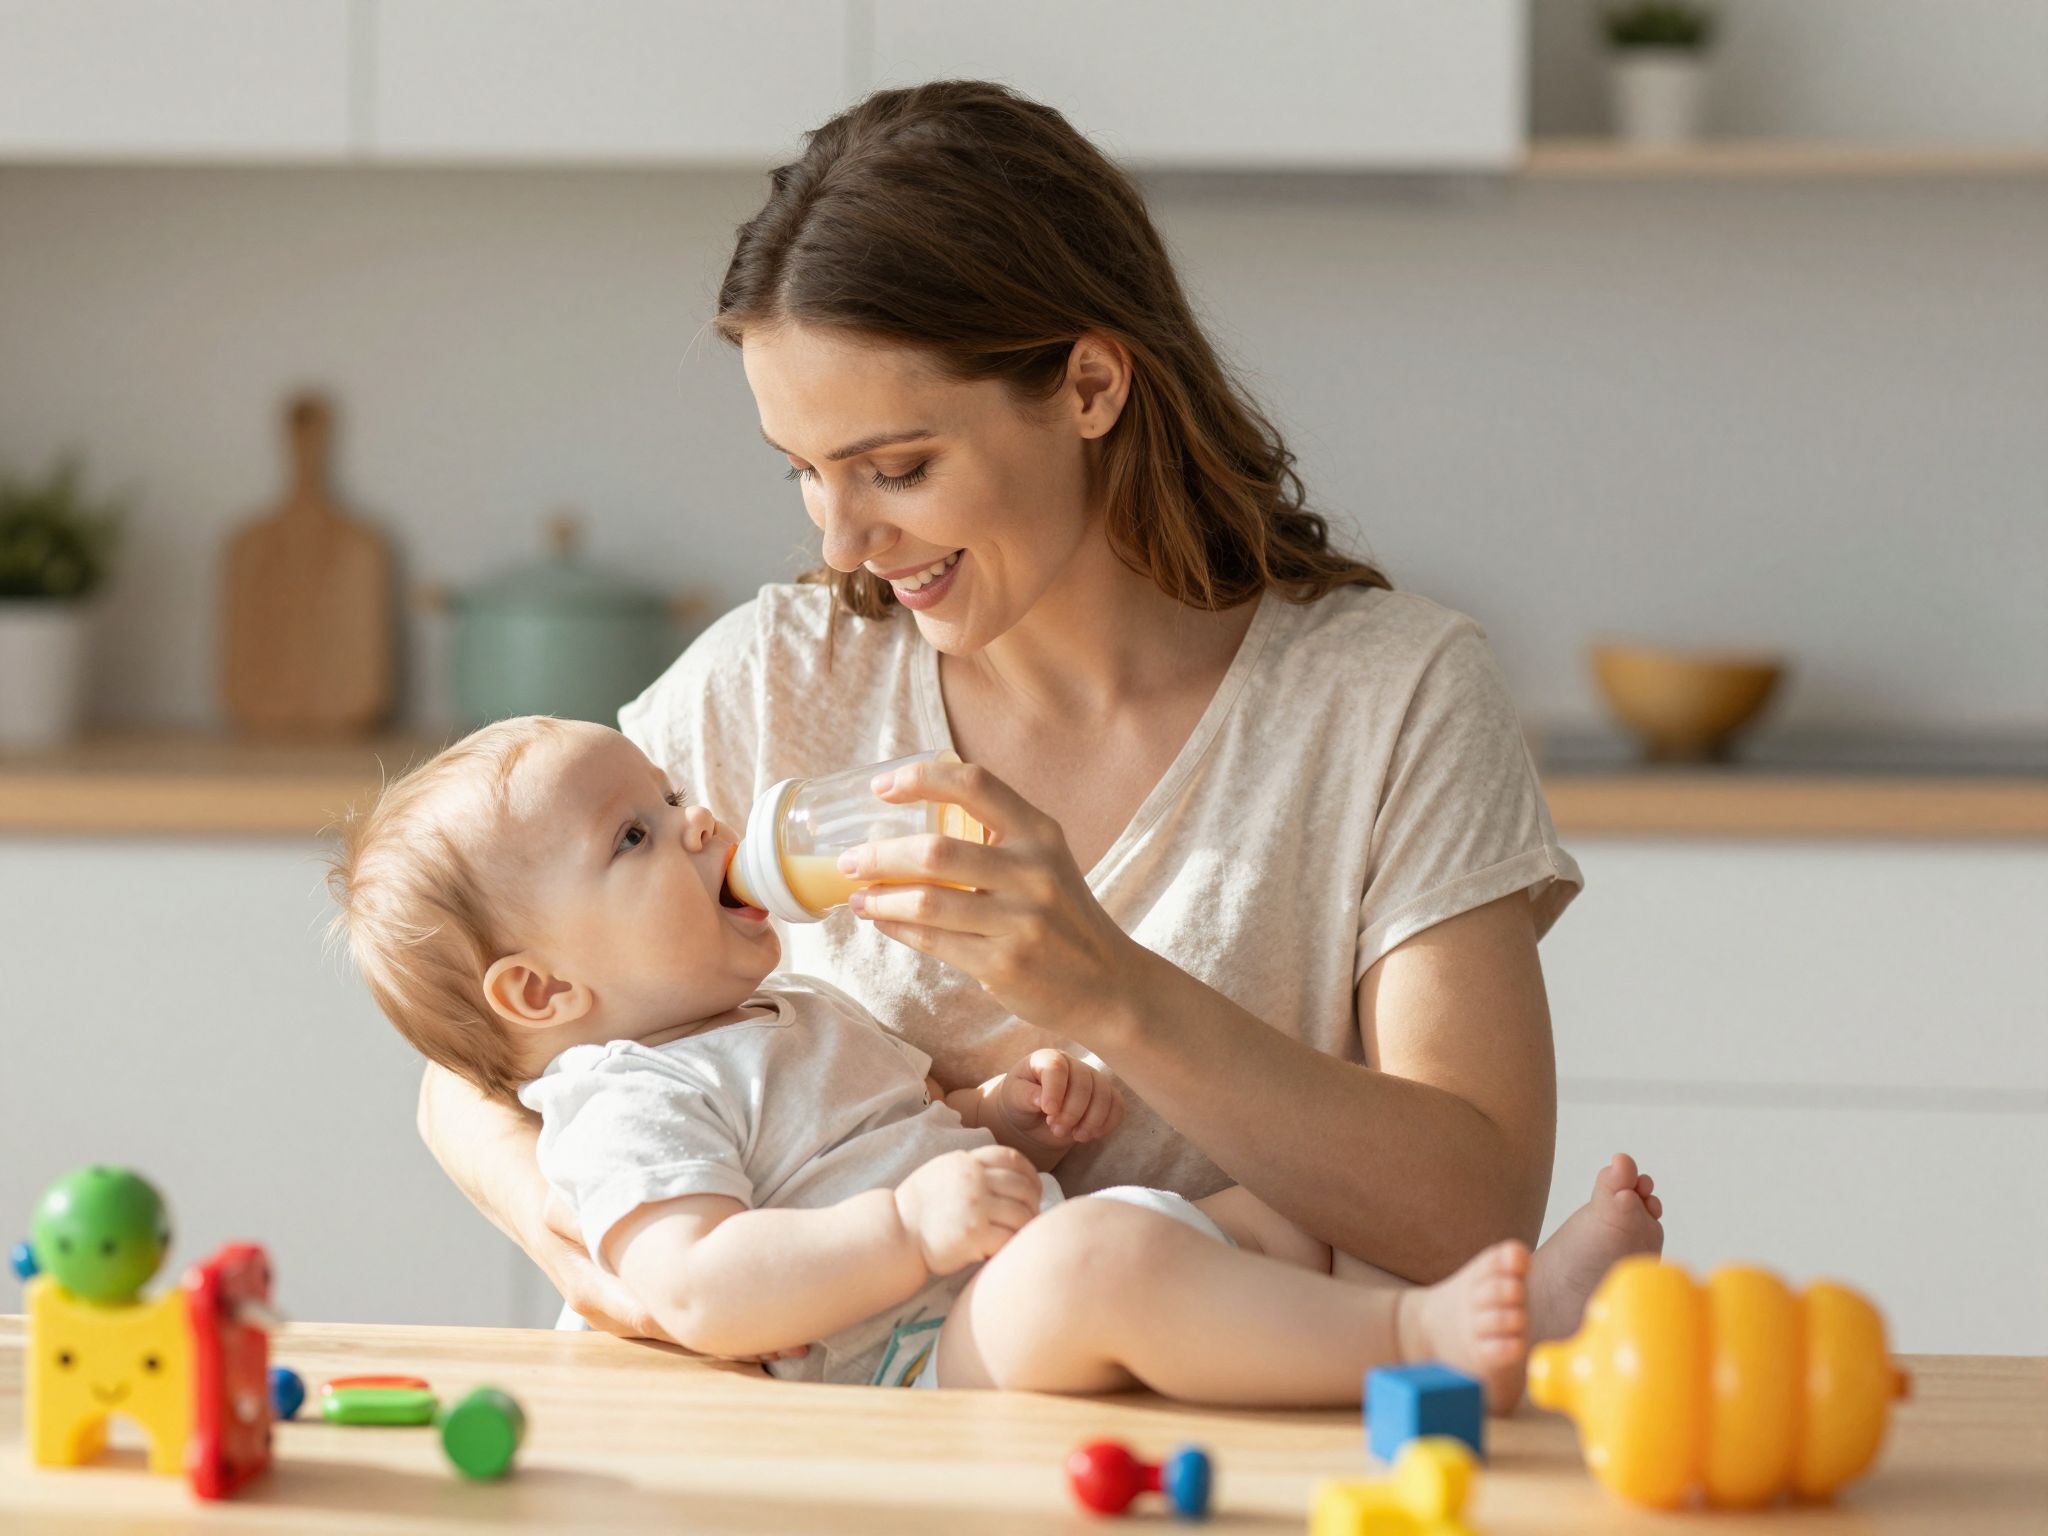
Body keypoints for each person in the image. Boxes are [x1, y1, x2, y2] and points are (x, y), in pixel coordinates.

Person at [419, 79, 1624, 1351]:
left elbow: (1474, 1215)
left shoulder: (1388, 702)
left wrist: (1108, 989)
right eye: (806, 474)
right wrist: (616, 1260)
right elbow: (474, 1052)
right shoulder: (775, 679)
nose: (844, 539)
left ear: (1090, 384)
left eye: (896, 469)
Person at [330, 716, 1663, 1401]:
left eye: (673, 799)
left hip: (986, 1275)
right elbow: (698, 1286)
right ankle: (1429, 1345)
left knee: (1283, 1220)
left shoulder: (771, 1013)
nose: (703, 823)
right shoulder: (628, 1099)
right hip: (903, 1363)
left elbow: (881, 1126)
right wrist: (907, 1227)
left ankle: (1514, 1332)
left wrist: (999, 1118)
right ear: (544, 989)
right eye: (636, 837)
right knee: (1113, 1265)